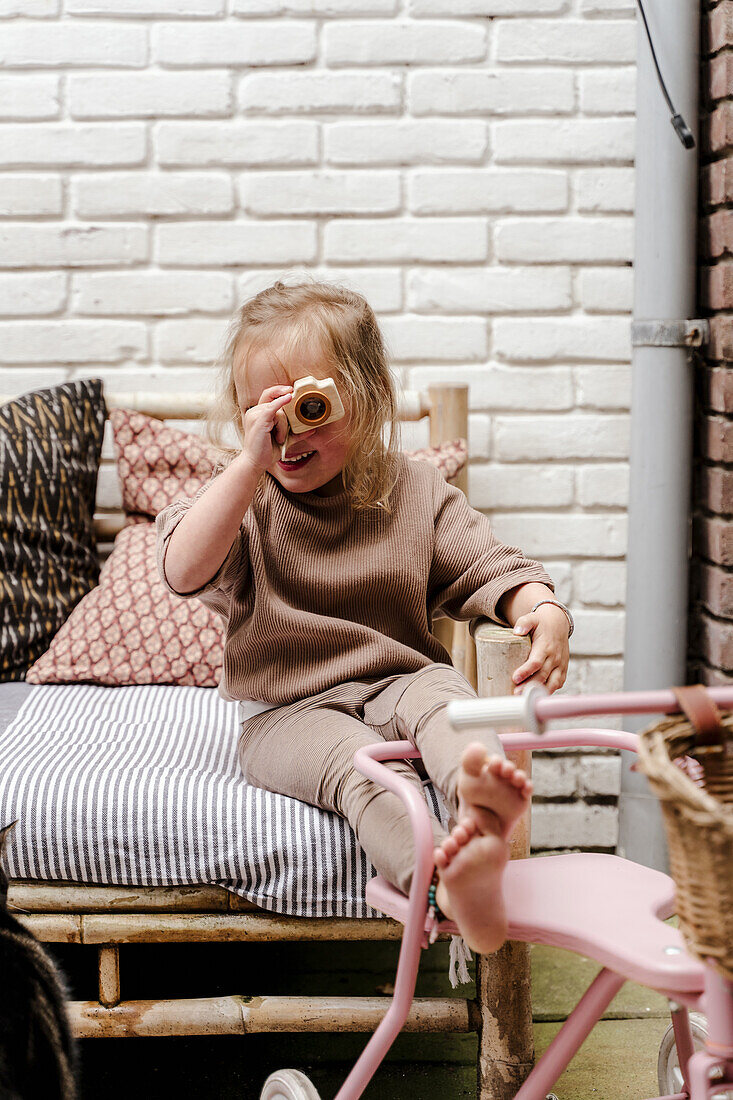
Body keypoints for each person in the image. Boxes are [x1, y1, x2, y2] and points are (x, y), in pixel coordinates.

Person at [156, 280, 571, 956]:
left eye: (310, 407)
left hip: (399, 679)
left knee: (450, 705)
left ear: (368, 395)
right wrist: (246, 464)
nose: (287, 434)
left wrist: (540, 606)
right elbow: (182, 569)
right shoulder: (244, 503)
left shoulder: (414, 490)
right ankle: (438, 881)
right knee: (362, 770)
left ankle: (480, 820)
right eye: (263, 414)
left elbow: (490, 568)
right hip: (285, 711)